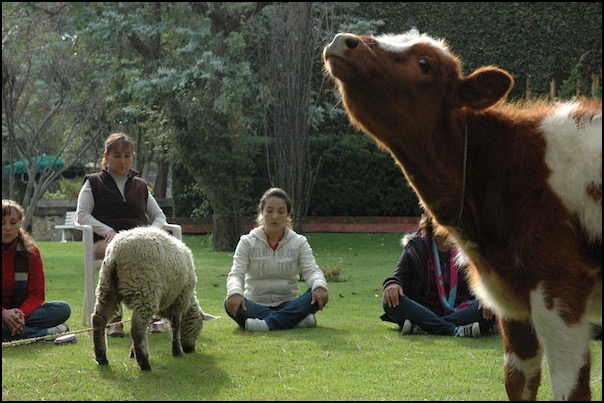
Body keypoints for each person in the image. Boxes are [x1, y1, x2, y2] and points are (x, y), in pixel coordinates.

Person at [76, 132, 167, 337]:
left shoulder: (141, 185)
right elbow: (82, 216)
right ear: (106, 157)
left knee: (153, 255)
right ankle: (115, 318)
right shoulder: (93, 183)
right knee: (119, 253)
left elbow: (159, 216)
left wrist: (151, 233)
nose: (122, 160)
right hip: (105, 242)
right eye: (117, 155)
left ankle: (152, 314)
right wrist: (107, 230)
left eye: (127, 156)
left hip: (139, 243)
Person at [225, 187, 329, 332]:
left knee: (316, 294)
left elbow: (312, 271)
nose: (275, 216)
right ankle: (294, 321)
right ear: (262, 212)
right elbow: (236, 274)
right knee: (229, 302)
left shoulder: (299, 242)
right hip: (255, 305)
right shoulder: (247, 242)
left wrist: (319, 286)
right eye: (269, 211)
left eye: (281, 211)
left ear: (287, 214)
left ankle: (266, 325)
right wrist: (235, 292)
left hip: (289, 303)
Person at [381, 211, 496, 337]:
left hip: (462, 311)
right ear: (430, 220)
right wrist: (392, 284)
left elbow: (482, 282)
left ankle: (423, 327)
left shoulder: (468, 247)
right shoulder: (416, 246)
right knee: (390, 302)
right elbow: (398, 278)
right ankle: (455, 330)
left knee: (492, 307)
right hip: (423, 310)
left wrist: (485, 298)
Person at [2, 199, 72, 342]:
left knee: (62, 309)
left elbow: (37, 294)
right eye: (2, 223)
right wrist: (4, 313)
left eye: (13, 222)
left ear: (21, 224)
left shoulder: (31, 251)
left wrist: (20, 314)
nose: (7, 228)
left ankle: (14, 332)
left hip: (23, 314)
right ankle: (47, 333)